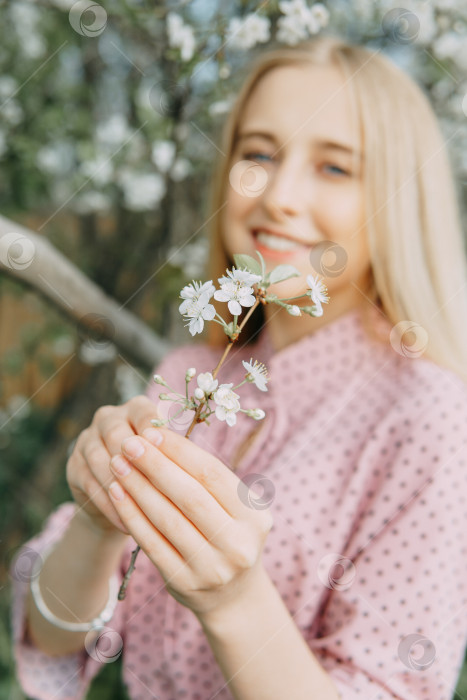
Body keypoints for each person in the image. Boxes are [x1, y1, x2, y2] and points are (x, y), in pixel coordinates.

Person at [10, 35, 467, 700]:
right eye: (258, 154)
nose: (277, 196)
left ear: (397, 203)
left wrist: (233, 603)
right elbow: (52, 638)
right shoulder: (193, 372)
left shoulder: (430, 419)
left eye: (334, 168)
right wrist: (95, 521)